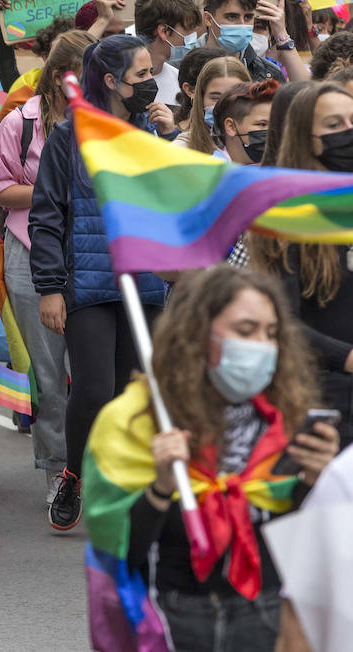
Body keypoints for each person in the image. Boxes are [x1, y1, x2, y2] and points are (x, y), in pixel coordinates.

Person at [82, 265, 339, 651]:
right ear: (197, 333)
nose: (262, 346)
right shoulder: (136, 422)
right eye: (245, 331)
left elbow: (304, 555)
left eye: (271, 334)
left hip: (263, 622)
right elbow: (119, 555)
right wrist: (160, 489)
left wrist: (313, 482)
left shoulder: (284, 421)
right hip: (171, 623)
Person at [30, 34, 172, 531]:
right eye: (141, 76)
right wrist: (50, 286)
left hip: (147, 284)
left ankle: (123, 487)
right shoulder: (69, 137)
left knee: (135, 391)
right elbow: (46, 215)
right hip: (87, 283)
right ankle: (73, 474)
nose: (151, 84)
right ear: (111, 82)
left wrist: (168, 142)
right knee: (93, 387)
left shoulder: (154, 133)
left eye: (151, 74)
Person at [0, 30, 92, 501]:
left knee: (94, 377)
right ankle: (58, 475)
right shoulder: (19, 123)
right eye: (84, 79)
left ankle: (98, 471)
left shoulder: (108, 123)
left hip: (92, 256)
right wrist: (52, 191)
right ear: (57, 81)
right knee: (49, 376)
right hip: (29, 255)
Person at [250, 81, 353, 448]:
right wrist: (347, 358)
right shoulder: (285, 215)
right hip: (321, 398)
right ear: (307, 138)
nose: (348, 132)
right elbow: (280, 322)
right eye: (334, 125)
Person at [202, 0, 309, 84]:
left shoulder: (269, 74)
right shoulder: (187, 66)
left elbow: (305, 93)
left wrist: (281, 33)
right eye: (232, 17)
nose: (242, 24)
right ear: (208, 19)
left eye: (248, 17)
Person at [133, 0, 204, 107]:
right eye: (188, 29)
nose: (194, 37)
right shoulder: (124, 84)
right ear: (164, 31)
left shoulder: (181, 85)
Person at [174, 56, 250, 153]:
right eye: (215, 98)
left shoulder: (263, 147)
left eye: (234, 97)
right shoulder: (180, 150)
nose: (224, 105)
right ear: (201, 100)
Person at [213, 78, 278, 165]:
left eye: (275, 124)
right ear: (231, 127)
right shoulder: (210, 174)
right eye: (262, 124)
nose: (272, 131)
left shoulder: (282, 170)